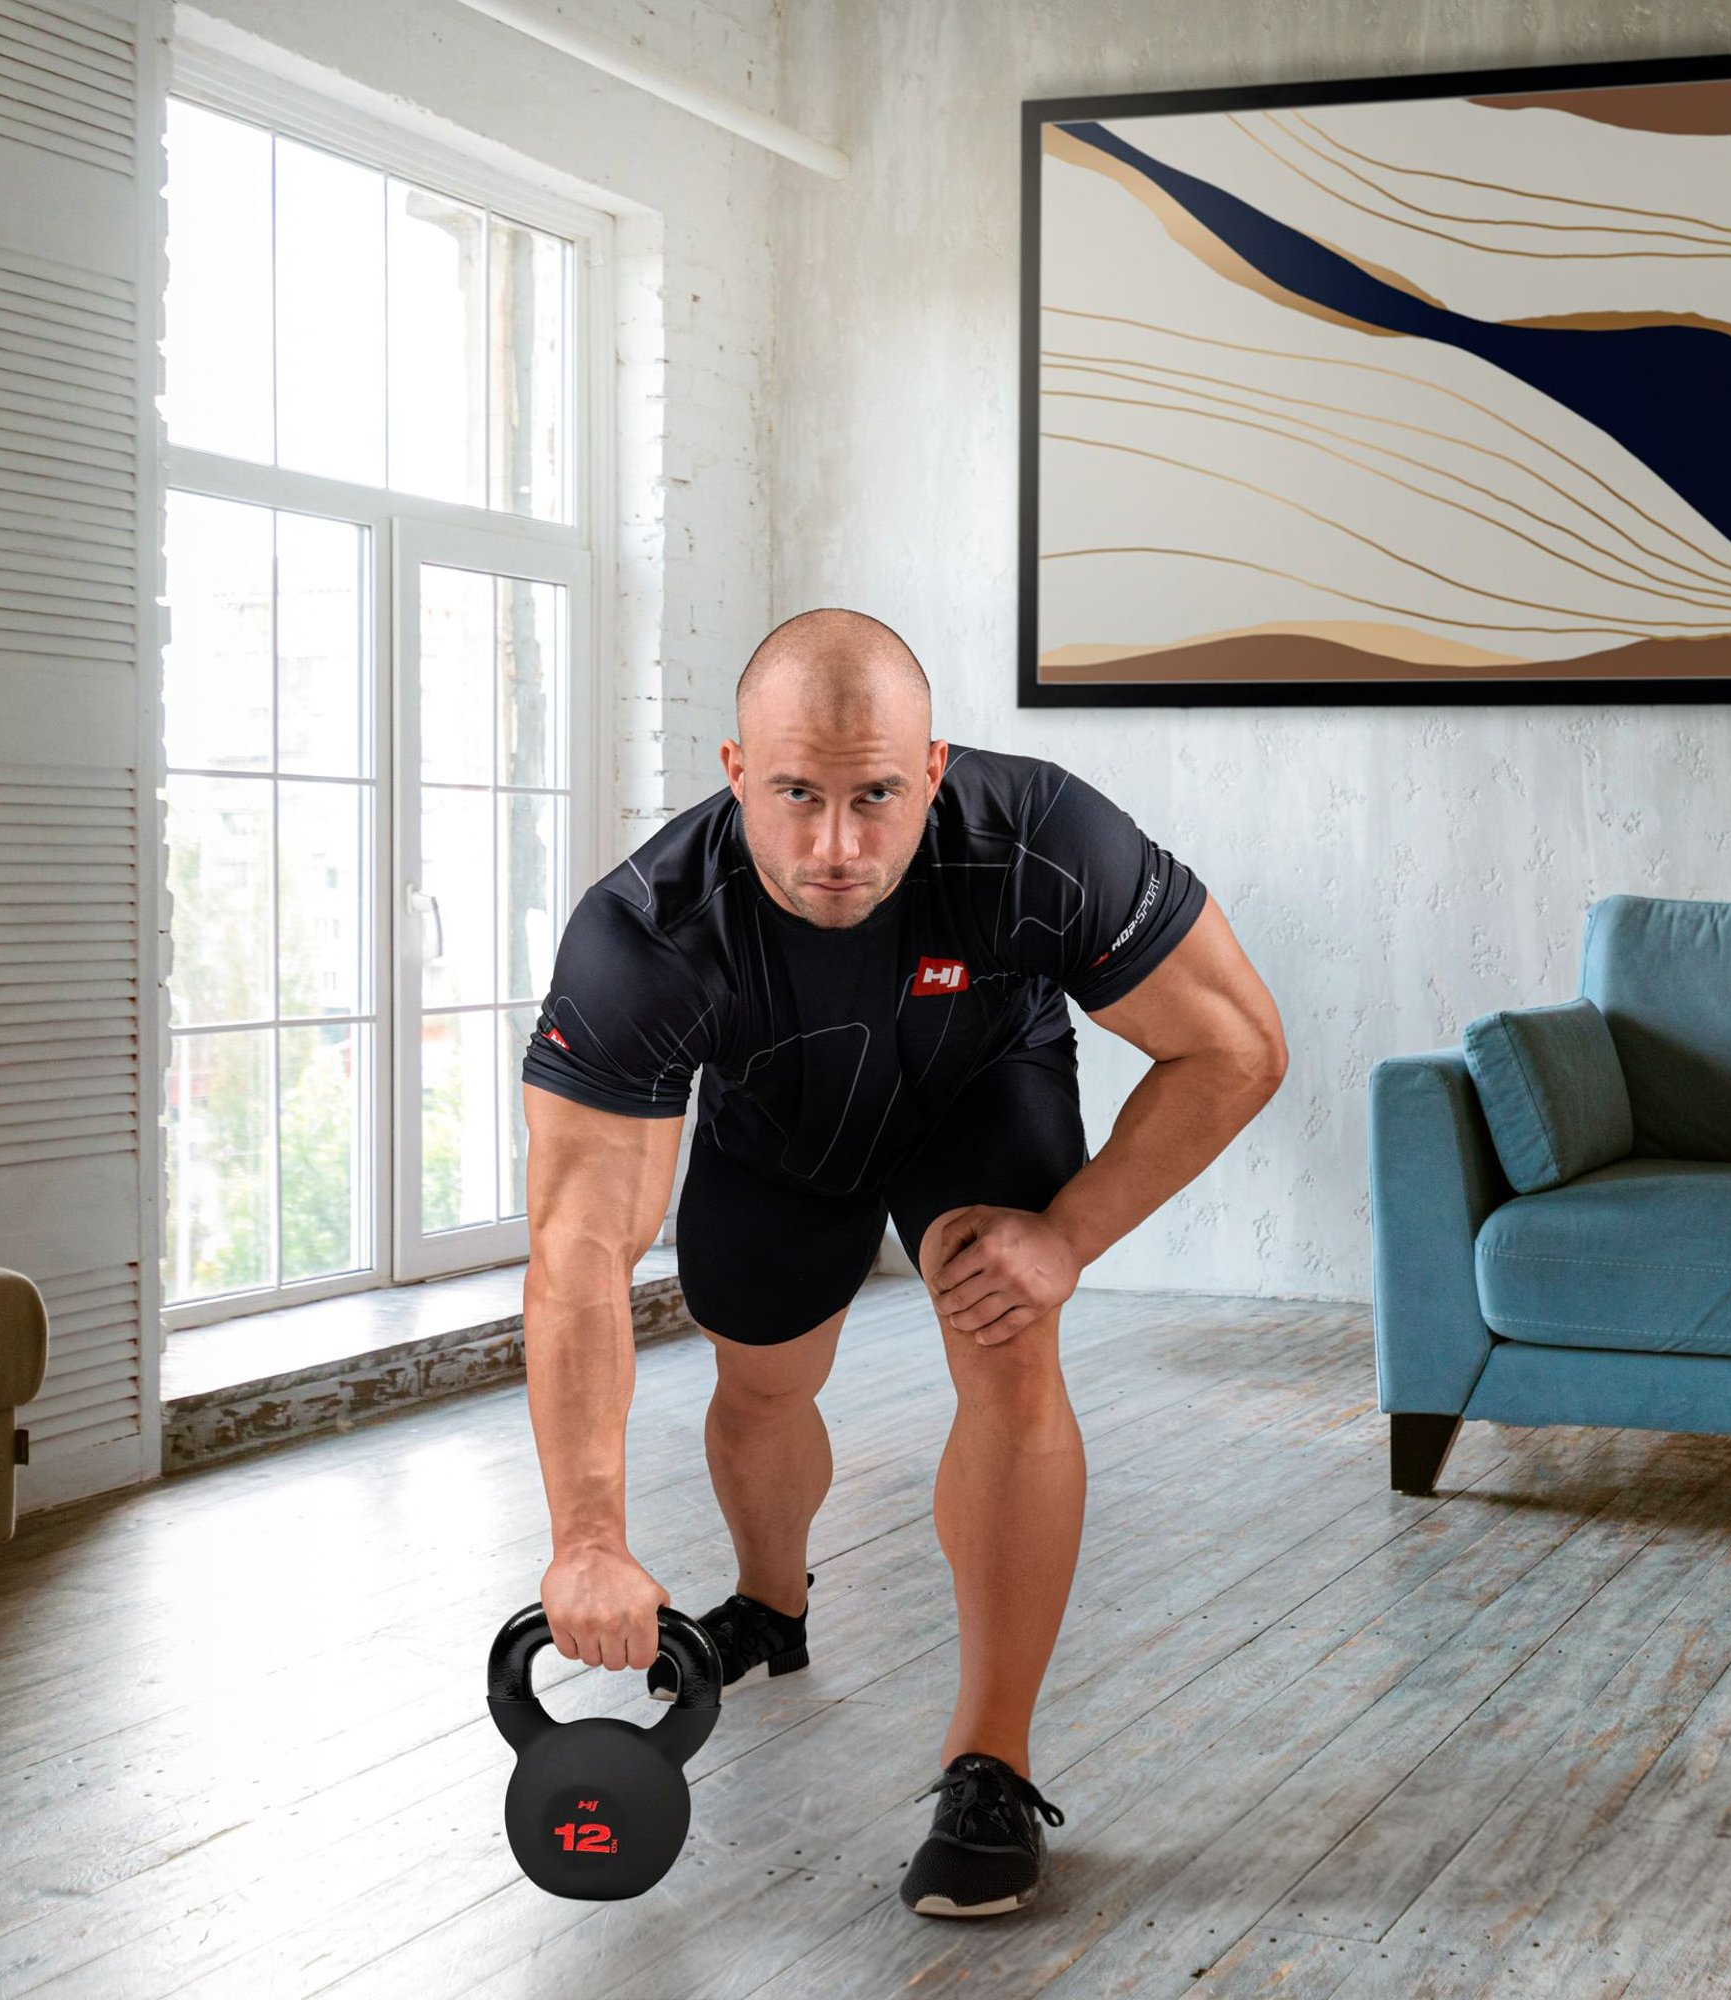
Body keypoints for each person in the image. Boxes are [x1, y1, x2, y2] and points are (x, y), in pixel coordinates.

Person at [518, 607, 1286, 1918]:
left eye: (875, 795)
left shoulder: (1041, 840)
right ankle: (772, 1603)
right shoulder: (645, 933)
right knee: (761, 1383)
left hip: (981, 1091)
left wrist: (1069, 1235)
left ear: (933, 769)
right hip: (779, 1135)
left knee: (1009, 1346)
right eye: (796, 796)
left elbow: (1238, 1046)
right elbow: (579, 1250)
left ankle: (991, 1763)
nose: (836, 846)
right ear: (734, 773)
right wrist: (585, 1537)